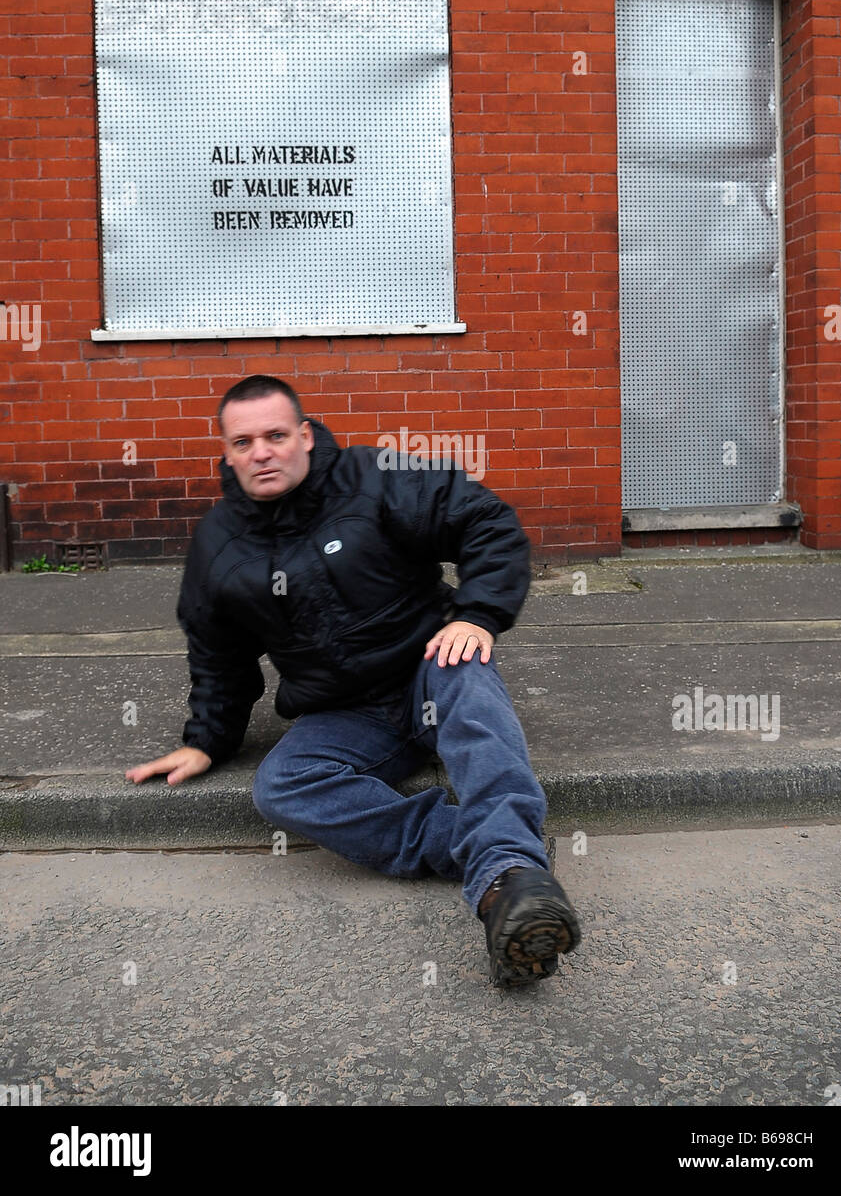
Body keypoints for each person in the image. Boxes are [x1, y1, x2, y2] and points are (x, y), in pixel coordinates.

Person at [126, 374, 581, 986]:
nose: (261, 452)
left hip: (430, 668)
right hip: (347, 712)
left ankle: (505, 878)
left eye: (276, 435)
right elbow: (219, 656)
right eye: (243, 442)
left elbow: (485, 521)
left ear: (306, 436)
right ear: (228, 452)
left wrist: (478, 615)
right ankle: (503, 857)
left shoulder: (375, 477)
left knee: (465, 672)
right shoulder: (219, 545)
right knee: (282, 787)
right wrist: (207, 739)